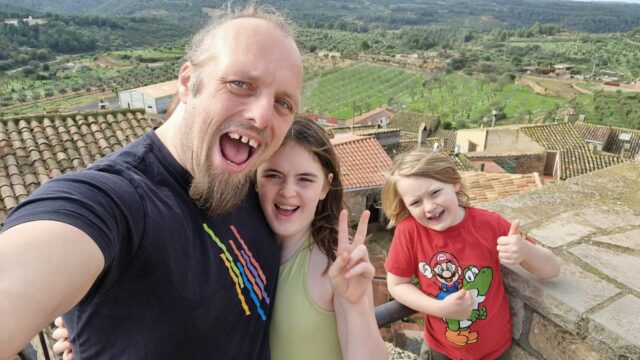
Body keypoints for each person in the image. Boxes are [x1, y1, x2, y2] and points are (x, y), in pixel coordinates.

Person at [0, 4, 304, 359]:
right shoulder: (117, 202)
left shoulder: (254, 183)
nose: (263, 115)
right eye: (240, 84)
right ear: (189, 83)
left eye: (283, 103)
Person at [52, 118, 389, 359]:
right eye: (273, 175)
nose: (288, 192)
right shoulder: (241, 240)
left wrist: (355, 303)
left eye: (305, 179)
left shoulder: (330, 263)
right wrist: (95, 329)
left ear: (326, 185)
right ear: (254, 178)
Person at [381, 149, 560, 360]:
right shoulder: (409, 231)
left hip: (494, 351)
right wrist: (439, 308)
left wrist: (524, 250)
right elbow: (397, 284)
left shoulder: (489, 224)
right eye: (415, 202)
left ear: (454, 182)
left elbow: (552, 269)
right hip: (441, 349)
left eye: (435, 192)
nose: (429, 207)